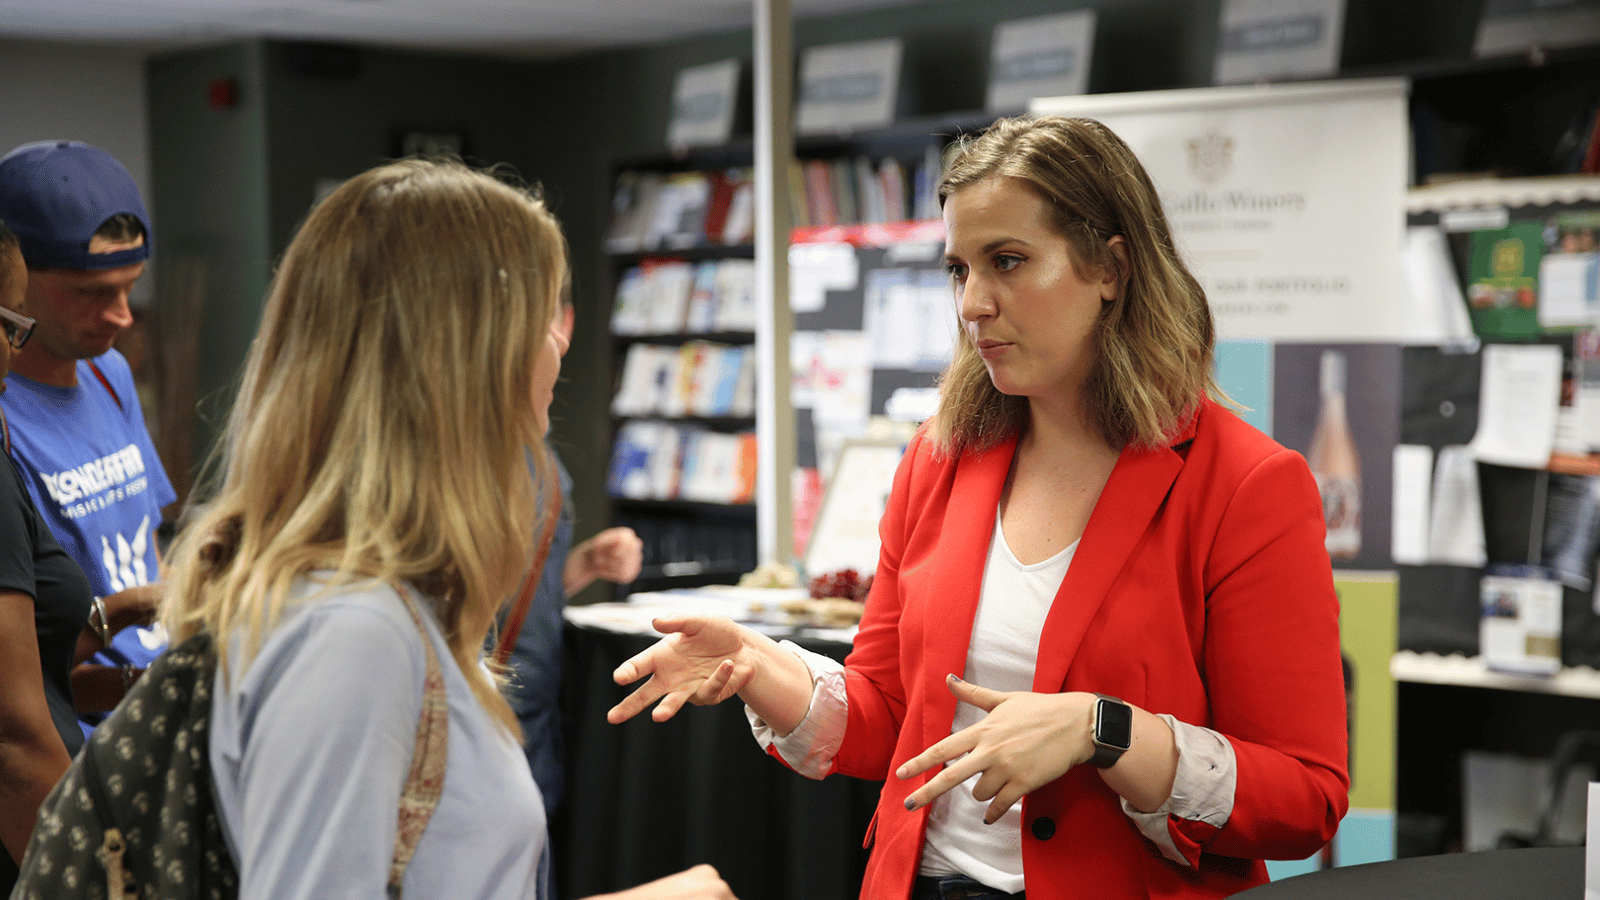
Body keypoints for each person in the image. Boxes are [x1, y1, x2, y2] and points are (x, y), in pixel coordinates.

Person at [607, 116, 1349, 900]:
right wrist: (761, 667)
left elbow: (1304, 797)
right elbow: (893, 716)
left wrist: (1104, 731)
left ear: (1112, 266)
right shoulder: (941, 457)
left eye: (1009, 262)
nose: (974, 304)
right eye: (959, 269)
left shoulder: (1244, 484)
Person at [158, 158, 733, 900]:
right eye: (536, 322)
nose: (558, 346)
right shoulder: (352, 633)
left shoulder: (385, 606)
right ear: (464, 372)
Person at [0, 221, 154, 895]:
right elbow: (12, 736)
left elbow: (40, 653)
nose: (10, 356)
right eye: (10, 325)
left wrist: (135, 682)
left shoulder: (111, 380)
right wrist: (98, 882)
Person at [0, 140, 174, 709]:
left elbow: (147, 546)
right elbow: (23, 683)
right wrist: (142, 689)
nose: (123, 316)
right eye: (96, 294)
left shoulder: (110, 373)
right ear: (19, 277)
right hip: (87, 735)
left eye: (130, 287)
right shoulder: (6, 415)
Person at [508, 297, 644, 816]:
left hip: (534, 717)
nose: (560, 341)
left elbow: (513, 590)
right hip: (495, 716)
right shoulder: (476, 457)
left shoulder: (532, 437)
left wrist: (582, 566)